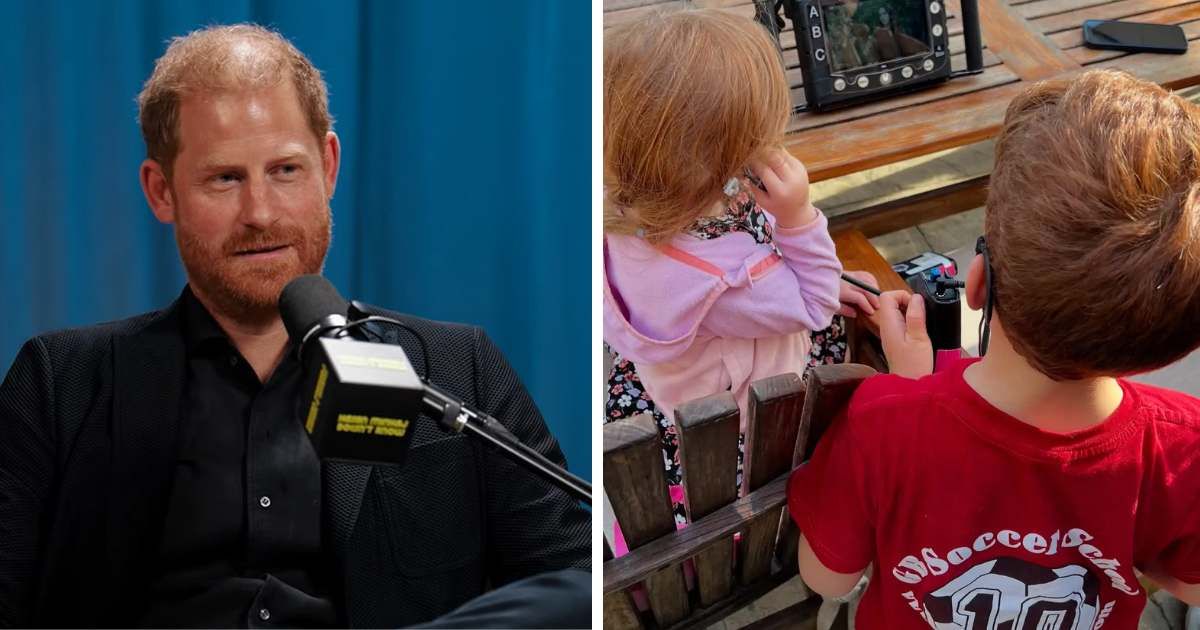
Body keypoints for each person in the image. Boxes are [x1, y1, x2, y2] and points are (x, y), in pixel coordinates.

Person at [0, 24, 589, 628]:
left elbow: (576, 581)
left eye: (285, 170)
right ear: (161, 191)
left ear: (329, 166)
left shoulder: (454, 366)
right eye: (225, 178)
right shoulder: (60, 384)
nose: (260, 213)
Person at [789, 69, 1200, 628]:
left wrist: (909, 393)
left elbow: (826, 579)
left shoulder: (881, 423)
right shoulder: (1183, 447)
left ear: (977, 281)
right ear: (1168, 348)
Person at [602, 8, 879, 528]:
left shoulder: (622, 213)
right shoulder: (726, 279)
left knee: (852, 287)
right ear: (716, 161)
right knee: (858, 317)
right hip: (743, 426)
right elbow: (815, 306)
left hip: (674, 389)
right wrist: (796, 217)